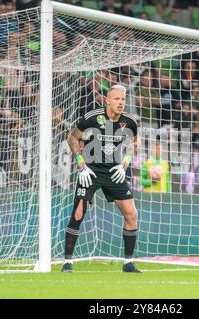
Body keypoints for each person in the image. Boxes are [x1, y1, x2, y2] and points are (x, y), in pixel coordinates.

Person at [62, 84, 141, 273]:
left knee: (132, 215)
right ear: (107, 100)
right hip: (90, 171)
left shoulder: (129, 122)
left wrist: (126, 162)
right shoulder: (92, 117)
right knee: (78, 214)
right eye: (116, 99)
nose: (121, 102)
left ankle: (128, 263)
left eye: (122, 99)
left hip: (114, 172)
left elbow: (134, 142)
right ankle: (67, 262)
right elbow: (72, 138)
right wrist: (81, 164)